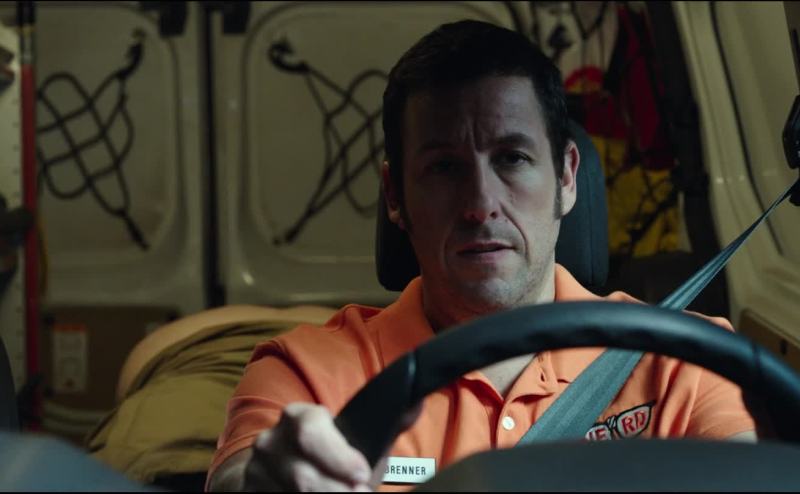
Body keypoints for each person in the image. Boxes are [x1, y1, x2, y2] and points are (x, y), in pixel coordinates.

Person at [206, 19, 756, 492]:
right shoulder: (309, 373)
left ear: (567, 177)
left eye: (512, 158)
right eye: (445, 167)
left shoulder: (687, 360)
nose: (480, 205)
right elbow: (244, 474)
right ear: (395, 196)